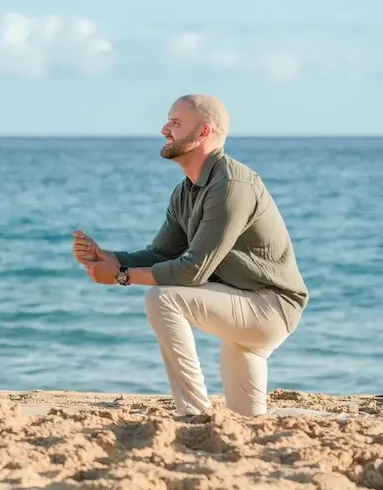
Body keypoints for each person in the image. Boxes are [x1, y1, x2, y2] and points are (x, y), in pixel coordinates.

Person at [72, 95, 308, 417]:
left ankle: (193, 414)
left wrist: (121, 277)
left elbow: (193, 270)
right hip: (241, 308)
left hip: (269, 307)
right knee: (249, 419)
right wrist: (107, 257)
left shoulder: (231, 185)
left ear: (203, 133)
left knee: (162, 298)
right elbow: (160, 254)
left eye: (175, 123)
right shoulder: (185, 191)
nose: (163, 129)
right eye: (168, 121)